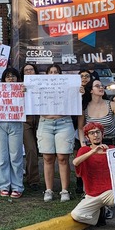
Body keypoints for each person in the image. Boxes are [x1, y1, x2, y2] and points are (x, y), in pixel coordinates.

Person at [70, 122, 115, 230]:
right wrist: (92, 152)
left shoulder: (112, 149)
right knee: (76, 214)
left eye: (98, 132)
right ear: (87, 137)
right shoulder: (84, 150)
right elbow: (75, 162)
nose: (95, 135)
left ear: (102, 134)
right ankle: (98, 216)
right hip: (92, 194)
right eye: (92, 133)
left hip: (109, 192)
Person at [38, 64, 76, 203]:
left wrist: (79, 91)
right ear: (47, 75)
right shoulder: (39, 88)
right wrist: (26, 91)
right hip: (45, 123)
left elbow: (76, 101)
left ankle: (64, 190)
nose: (53, 74)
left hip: (64, 123)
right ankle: (49, 190)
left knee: (62, 157)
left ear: (61, 75)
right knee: (47, 157)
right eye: (51, 72)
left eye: (56, 72)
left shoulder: (69, 89)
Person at [0, 67, 25, 198]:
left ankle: (17, 186)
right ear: (3, 79)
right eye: (7, 76)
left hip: (16, 123)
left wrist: (25, 92)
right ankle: (4, 186)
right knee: (1, 157)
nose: (10, 78)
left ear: (17, 78)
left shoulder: (23, 89)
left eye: (13, 76)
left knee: (15, 156)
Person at [78, 79, 115, 146]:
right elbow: (80, 128)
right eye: (97, 86)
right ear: (91, 90)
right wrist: (83, 145)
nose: (101, 87)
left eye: (102, 86)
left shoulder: (110, 104)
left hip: (112, 142)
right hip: (93, 143)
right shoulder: (85, 107)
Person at [21, 63, 42, 190]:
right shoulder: (19, 84)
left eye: (31, 69)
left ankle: (31, 175)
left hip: (40, 118)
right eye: (26, 70)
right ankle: (33, 179)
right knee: (31, 149)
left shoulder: (43, 83)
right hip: (26, 119)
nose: (29, 72)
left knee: (42, 150)